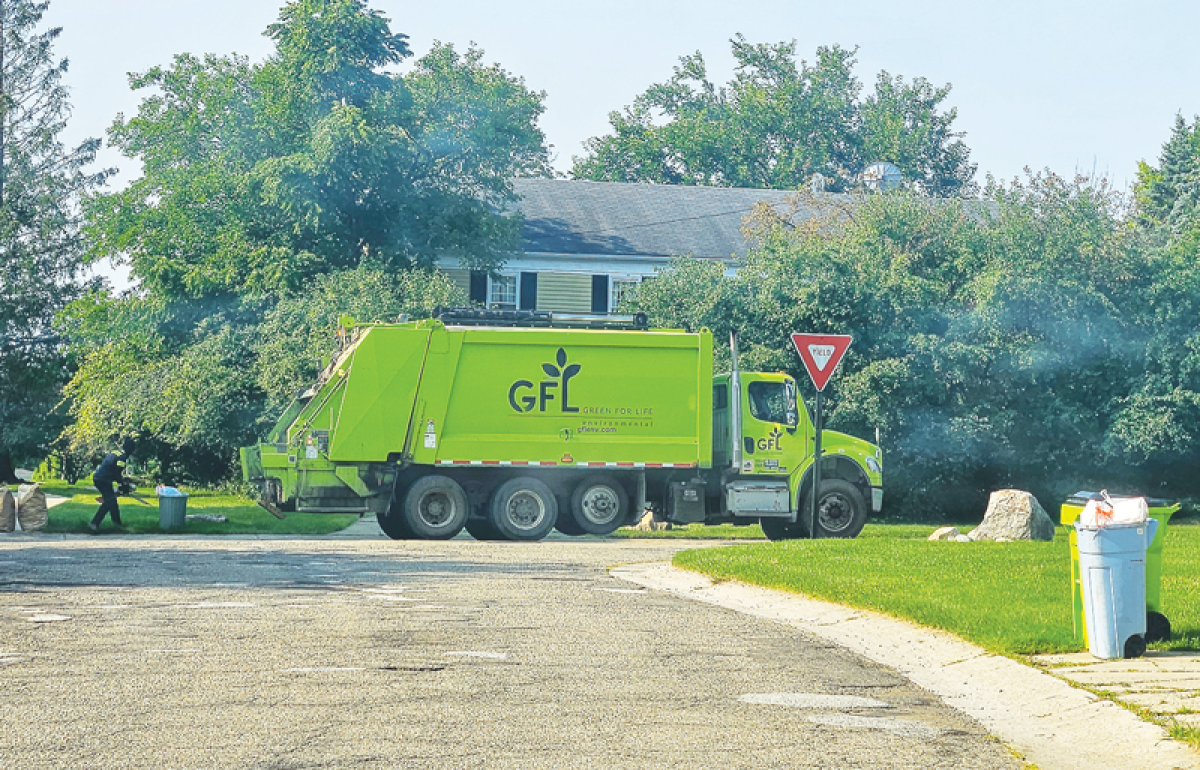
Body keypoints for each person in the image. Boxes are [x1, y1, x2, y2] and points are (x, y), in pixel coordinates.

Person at [89, 438, 135, 533]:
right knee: (109, 501)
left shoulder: (115, 452)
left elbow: (112, 470)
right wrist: (123, 484)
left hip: (99, 478)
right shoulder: (123, 457)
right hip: (104, 480)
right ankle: (94, 523)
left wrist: (121, 482)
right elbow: (116, 473)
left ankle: (117, 524)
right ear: (130, 449)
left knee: (112, 502)